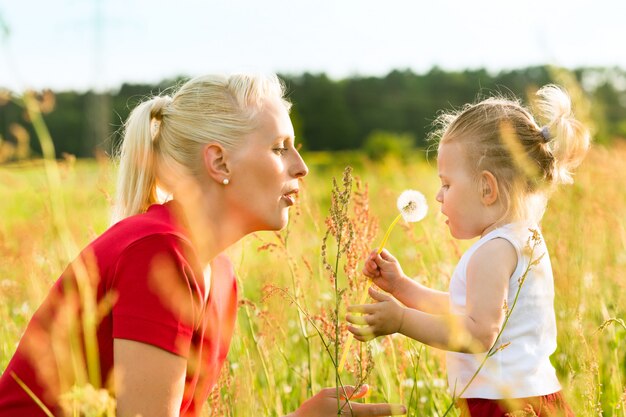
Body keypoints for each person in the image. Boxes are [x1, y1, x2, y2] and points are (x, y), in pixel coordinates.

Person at [0, 74, 406, 417]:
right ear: (219, 162)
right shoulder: (159, 253)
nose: (300, 166)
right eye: (280, 148)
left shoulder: (219, 273)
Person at [346, 85, 590, 416]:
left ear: (487, 188)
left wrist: (401, 319)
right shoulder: (521, 238)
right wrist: (402, 287)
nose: (438, 196)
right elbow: (466, 311)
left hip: (504, 404)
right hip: (530, 397)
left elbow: (477, 332)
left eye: (447, 184)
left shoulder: (495, 250)